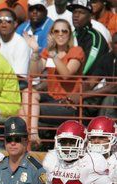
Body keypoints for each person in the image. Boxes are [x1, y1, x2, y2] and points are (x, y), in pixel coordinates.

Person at [23, 18, 84, 147]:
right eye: (56, 31)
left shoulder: (76, 51)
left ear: (69, 34)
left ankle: (29, 144)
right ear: (51, 34)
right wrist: (35, 52)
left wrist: (54, 55)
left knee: (23, 111)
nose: (60, 34)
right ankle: (33, 136)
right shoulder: (47, 52)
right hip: (52, 99)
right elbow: (34, 73)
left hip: (68, 104)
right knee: (27, 92)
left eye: (64, 31)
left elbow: (66, 75)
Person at [81, 32, 117, 120]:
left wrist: (83, 95)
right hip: (108, 95)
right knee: (85, 103)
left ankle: (104, 130)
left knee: (109, 100)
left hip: (111, 98)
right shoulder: (107, 58)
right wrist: (81, 93)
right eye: (116, 43)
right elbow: (90, 82)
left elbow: (114, 87)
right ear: (111, 44)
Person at [0, 9, 32, 81]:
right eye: (0, 21)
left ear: (15, 24)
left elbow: (19, 76)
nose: (3, 24)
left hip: (20, 84)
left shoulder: (21, 44)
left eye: (8, 21)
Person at [68, 0, 108, 74]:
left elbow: (86, 68)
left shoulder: (95, 37)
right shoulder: (72, 34)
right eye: (74, 12)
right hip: (69, 78)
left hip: (90, 83)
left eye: (81, 12)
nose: (76, 15)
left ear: (90, 16)